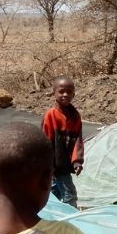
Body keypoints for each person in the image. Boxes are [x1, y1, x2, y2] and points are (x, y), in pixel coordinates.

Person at [41, 75, 84, 207]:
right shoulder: (51, 115)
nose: (65, 95)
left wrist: (77, 161)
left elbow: (78, 140)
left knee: (53, 194)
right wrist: (48, 165)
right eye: (61, 91)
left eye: (69, 92)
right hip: (54, 164)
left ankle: (50, 216)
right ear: (54, 93)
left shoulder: (75, 116)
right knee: (69, 194)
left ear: (74, 94)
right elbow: (45, 141)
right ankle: (71, 220)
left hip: (65, 164)